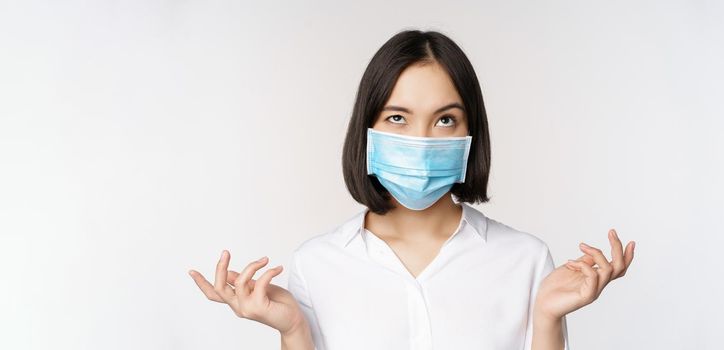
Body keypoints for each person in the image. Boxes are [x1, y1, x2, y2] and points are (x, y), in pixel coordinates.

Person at [189, 29, 636, 350]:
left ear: (470, 134)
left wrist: (546, 319)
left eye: (445, 120)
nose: (421, 141)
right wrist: (293, 331)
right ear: (368, 130)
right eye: (398, 118)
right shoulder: (317, 263)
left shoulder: (525, 260)